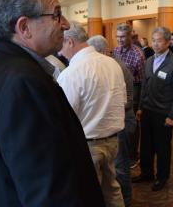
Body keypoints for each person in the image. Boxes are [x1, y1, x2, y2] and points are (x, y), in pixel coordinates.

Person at [0, 0, 105, 206]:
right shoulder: (23, 82)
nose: (66, 24)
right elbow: (46, 190)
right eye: (57, 15)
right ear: (24, 27)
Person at [57, 22, 126, 207]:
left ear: (70, 41)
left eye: (61, 45)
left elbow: (65, 117)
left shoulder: (71, 73)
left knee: (88, 195)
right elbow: (123, 102)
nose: (60, 53)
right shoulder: (113, 64)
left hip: (87, 145)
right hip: (113, 142)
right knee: (112, 190)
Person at [133, 27, 173, 191]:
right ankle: (146, 173)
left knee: (162, 148)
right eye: (153, 40)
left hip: (163, 114)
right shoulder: (148, 61)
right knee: (146, 146)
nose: (155, 44)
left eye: (159, 40)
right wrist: (140, 107)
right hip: (147, 110)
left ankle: (162, 177)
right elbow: (144, 87)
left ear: (168, 42)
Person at [88, 34, 135, 207]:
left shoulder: (116, 66)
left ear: (101, 51)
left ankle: (127, 201)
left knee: (121, 168)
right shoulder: (110, 64)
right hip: (117, 122)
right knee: (115, 169)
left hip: (121, 123)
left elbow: (128, 100)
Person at [114, 23, 145, 168]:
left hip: (135, 89)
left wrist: (140, 104)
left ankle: (133, 155)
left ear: (129, 37)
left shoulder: (138, 54)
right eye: (117, 37)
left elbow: (143, 80)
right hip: (118, 90)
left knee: (133, 124)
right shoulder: (115, 51)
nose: (119, 40)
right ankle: (122, 151)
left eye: (122, 37)